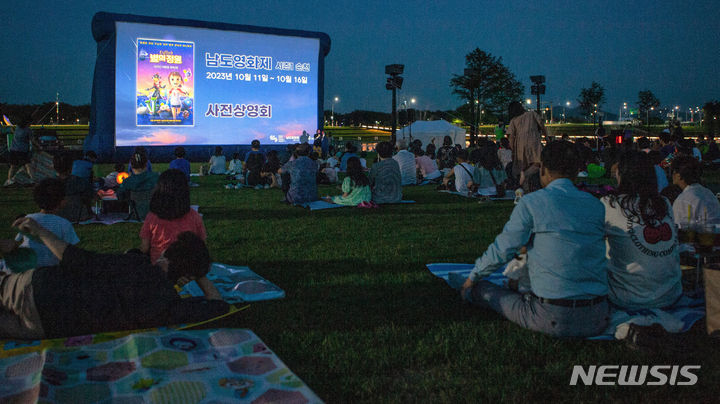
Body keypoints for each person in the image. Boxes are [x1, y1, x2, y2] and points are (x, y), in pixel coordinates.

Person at [459, 140, 609, 338]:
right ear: (576, 172)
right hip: (598, 314)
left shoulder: (533, 202)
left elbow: (503, 248)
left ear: (543, 170)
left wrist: (472, 279)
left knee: (483, 290)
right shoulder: (595, 205)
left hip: (552, 315)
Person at [0, 217, 228, 339]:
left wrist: (41, 231)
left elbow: (79, 260)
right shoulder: (167, 304)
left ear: (167, 253)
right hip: (48, 325)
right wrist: (199, 273)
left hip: (40, 290)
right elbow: (218, 306)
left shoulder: (134, 264)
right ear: (187, 277)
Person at [602, 152, 682, 310]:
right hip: (671, 294)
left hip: (629, 298)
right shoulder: (664, 203)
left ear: (621, 175)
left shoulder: (610, 204)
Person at [139, 169, 206, 264]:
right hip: (187, 267)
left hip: (160, 267)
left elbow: (144, 247)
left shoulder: (152, 217)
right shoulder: (194, 216)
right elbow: (201, 244)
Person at [10, 178, 80, 268]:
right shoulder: (64, 224)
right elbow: (72, 252)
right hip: (51, 268)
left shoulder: (28, 219)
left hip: (27, 266)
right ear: (62, 201)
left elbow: (16, 242)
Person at [506, 101, 545, 193]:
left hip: (520, 145)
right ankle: (526, 176)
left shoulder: (514, 120)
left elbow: (510, 137)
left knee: (523, 167)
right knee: (537, 163)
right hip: (534, 142)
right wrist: (546, 138)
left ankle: (525, 189)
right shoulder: (532, 114)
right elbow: (542, 125)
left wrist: (512, 150)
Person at [671, 155, 720, 224]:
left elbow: (679, 228)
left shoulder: (683, 200)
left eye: (673, 172)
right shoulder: (708, 193)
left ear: (679, 175)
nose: (672, 175)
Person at [53, 153, 94, 222]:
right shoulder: (80, 182)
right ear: (71, 167)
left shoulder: (49, 183)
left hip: (57, 216)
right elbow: (89, 198)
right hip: (78, 216)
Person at [117, 152, 159, 220]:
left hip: (137, 216)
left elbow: (120, 197)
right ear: (146, 164)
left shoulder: (127, 182)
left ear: (131, 166)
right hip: (156, 215)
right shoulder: (157, 177)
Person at [5, 116, 35, 186]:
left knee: (13, 166)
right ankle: (32, 180)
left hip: (13, 149)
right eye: (31, 123)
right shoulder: (28, 130)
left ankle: (9, 180)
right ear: (28, 123)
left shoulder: (17, 128)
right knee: (28, 165)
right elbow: (32, 140)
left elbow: (13, 131)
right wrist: (39, 146)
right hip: (23, 150)